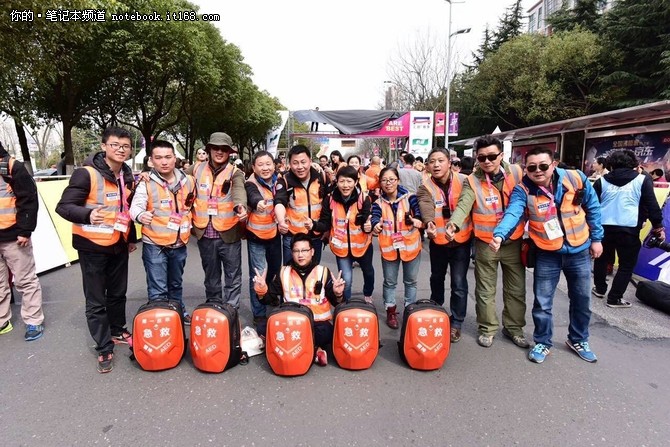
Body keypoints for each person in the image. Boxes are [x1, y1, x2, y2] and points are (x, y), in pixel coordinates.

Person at [490, 146, 604, 364]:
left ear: (553, 164)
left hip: (579, 250)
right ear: (526, 169)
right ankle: (543, 341)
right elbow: (513, 213)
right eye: (532, 167)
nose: (538, 171)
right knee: (543, 302)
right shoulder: (522, 190)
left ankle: (578, 339)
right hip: (546, 253)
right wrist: (499, 235)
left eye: (543, 166)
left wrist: (597, 239)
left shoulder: (576, 178)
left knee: (582, 300)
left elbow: (593, 207)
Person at [56, 127, 138, 373]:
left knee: (117, 293)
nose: (120, 149)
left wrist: (130, 237)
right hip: (92, 246)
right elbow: (64, 207)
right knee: (96, 300)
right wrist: (89, 214)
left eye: (125, 146)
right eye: (115, 145)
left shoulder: (126, 173)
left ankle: (117, 330)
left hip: (118, 243)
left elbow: (125, 209)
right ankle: (104, 347)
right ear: (104, 146)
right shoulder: (86, 174)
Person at [447, 135, 528, 349]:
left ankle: (514, 329)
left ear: (502, 155)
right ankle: (487, 328)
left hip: (513, 241)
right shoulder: (472, 180)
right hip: (486, 244)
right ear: (477, 158)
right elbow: (464, 205)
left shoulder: (518, 173)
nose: (487, 161)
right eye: (482, 157)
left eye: (492, 156)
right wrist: (453, 224)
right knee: (485, 290)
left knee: (516, 289)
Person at [253, 233, 345, 366]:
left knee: (327, 332)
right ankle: (314, 351)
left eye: (304, 250)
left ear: (312, 252)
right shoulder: (283, 272)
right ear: (292, 253)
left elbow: (339, 303)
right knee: (262, 327)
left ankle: (290, 348)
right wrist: (261, 290)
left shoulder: (323, 272)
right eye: (296, 251)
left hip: (316, 324)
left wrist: (338, 294)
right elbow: (268, 299)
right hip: (290, 324)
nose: (300, 255)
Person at [129, 140, 196, 323]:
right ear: (151, 161)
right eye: (158, 158)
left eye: (168, 157)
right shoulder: (146, 182)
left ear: (175, 158)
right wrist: (141, 215)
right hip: (154, 244)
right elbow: (135, 207)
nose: (164, 162)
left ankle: (178, 315)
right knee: (158, 288)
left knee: (176, 284)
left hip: (179, 243)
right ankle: (160, 324)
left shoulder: (188, 181)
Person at [593, 150, 664, 308]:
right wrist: (658, 227)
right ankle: (614, 298)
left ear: (611, 163)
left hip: (603, 229)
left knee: (601, 259)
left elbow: (592, 207)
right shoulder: (642, 180)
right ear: (633, 163)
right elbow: (652, 205)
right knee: (626, 265)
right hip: (629, 230)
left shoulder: (601, 181)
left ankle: (599, 289)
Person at [418, 148, 472, 343]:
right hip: (438, 242)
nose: (436, 165)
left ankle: (456, 322)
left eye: (440, 160)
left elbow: (466, 204)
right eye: (432, 161)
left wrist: (455, 226)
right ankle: (437, 310)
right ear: (427, 165)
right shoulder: (425, 186)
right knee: (437, 278)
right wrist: (429, 223)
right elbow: (425, 204)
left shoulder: (465, 181)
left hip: (461, 241)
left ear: (450, 162)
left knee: (458, 283)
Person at [191, 132, 247, 307]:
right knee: (211, 277)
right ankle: (214, 309)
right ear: (209, 149)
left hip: (228, 234)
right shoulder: (195, 169)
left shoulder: (235, 172)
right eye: (216, 148)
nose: (219, 152)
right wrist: (149, 174)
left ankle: (231, 311)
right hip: (205, 234)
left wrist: (240, 206)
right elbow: (171, 175)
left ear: (229, 152)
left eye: (224, 149)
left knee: (232, 276)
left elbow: (239, 191)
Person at [0, 141, 45, 341]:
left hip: (14, 237)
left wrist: (25, 230)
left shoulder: (11, 167)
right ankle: (2, 320)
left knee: (25, 280)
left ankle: (33, 321)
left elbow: (29, 199)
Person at [371, 167, 423, 329]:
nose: (388, 183)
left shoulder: (411, 198)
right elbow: (375, 217)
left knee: (411, 282)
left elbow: (420, 216)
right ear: (380, 183)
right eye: (384, 180)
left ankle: (410, 311)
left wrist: (416, 221)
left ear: (398, 180)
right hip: (389, 250)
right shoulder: (378, 203)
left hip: (411, 248)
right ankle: (391, 311)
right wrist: (376, 225)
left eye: (391, 179)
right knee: (390, 282)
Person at [313, 166, 374, 303]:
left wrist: (369, 226)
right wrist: (314, 225)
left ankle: (368, 293)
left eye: (349, 181)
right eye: (342, 181)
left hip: (362, 246)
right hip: (341, 249)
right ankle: (345, 304)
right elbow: (324, 222)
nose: (345, 185)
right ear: (337, 182)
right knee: (346, 278)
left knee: (368, 272)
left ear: (355, 182)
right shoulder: (329, 200)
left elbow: (368, 221)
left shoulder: (364, 199)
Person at [245, 151, 285, 332]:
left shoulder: (279, 181)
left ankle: (270, 298)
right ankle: (259, 313)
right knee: (259, 275)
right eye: (260, 164)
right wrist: (258, 202)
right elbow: (252, 195)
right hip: (256, 237)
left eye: (268, 163)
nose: (265, 168)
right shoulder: (251, 183)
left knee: (275, 272)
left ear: (274, 165)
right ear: (254, 167)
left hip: (275, 236)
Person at [275, 145, 327, 265]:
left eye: (303, 162)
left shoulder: (321, 177)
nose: (300, 167)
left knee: (313, 274)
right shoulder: (285, 181)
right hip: (292, 237)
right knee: (289, 275)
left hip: (315, 235)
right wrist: (281, 221)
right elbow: (279, 202)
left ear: (310, 161)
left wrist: (326, 228)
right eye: (295, 163)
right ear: (290, 164)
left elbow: (328, 205)